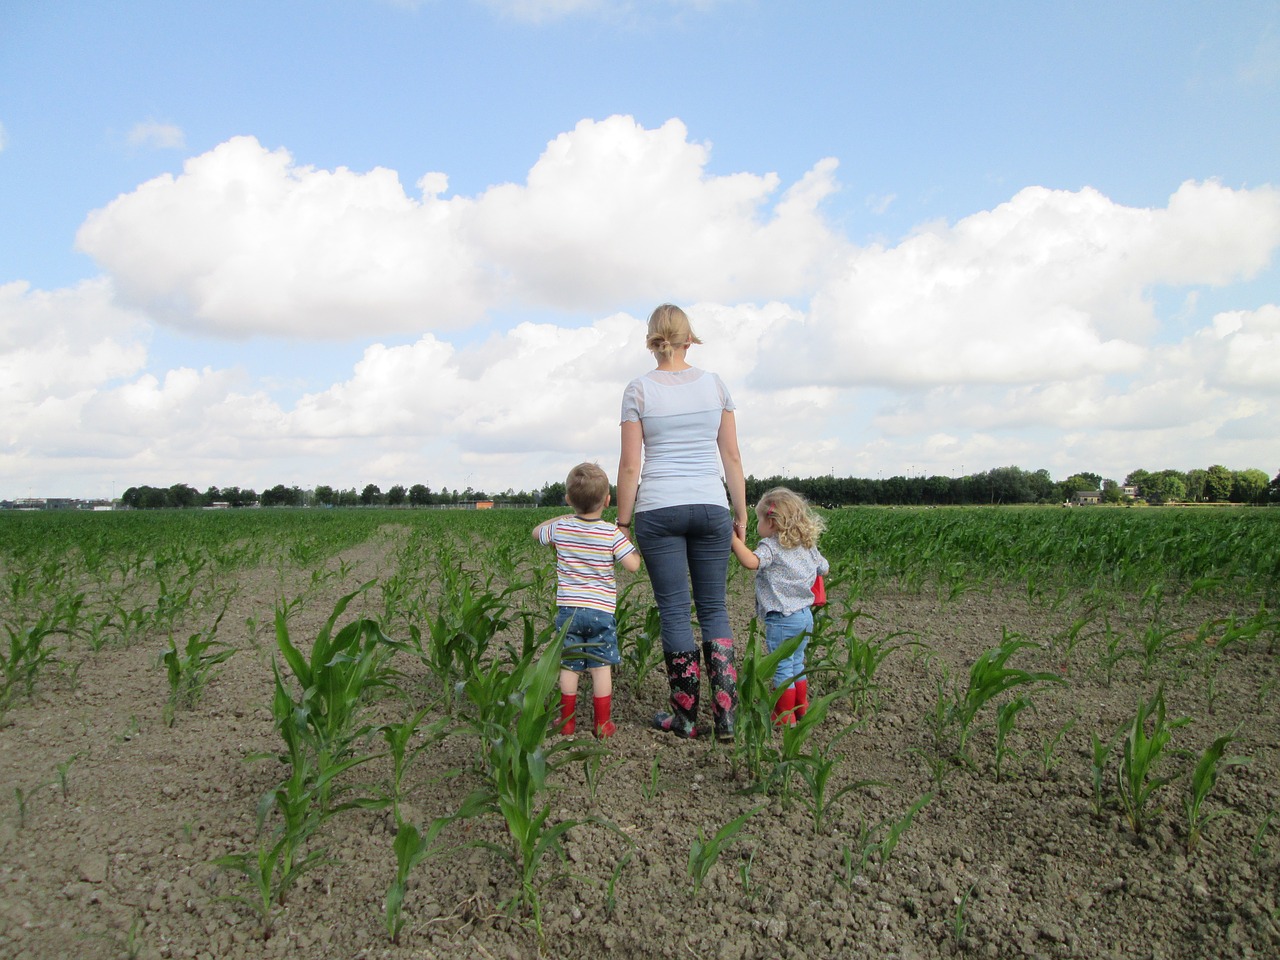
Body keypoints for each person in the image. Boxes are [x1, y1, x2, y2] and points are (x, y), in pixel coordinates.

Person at [615, 304, 748, 742]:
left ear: (653, 342)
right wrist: (741, 512)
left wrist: (623, 521)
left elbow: (631, 466)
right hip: (712, 507)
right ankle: (726, 717)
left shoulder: (638, 390)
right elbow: (731, 457)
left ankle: (687, 718)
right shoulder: (715, 386)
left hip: (658, 509)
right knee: (714, 609)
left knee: (674, 611)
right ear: (689, 339)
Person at [533, 462, 642, 738]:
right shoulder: (609, 533)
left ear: (569, 500)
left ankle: (566, 722)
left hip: (568, 610)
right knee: (600, 666)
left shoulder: (562, 528)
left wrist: (559, 518)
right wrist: (634, 551)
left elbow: (536, 533)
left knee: (569, 665)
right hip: (601, 612)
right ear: (607, 500)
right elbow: (632, 566)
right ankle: (602, 724)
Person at [730, 487, 829, 724]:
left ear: (772, 523)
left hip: (782, 618)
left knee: (781, 666)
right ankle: (800, 709)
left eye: (759, 520)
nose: (757, 526)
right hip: (805, 616)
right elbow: (824, 568)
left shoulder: (771, 547)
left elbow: (751, 562)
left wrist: (733, 540)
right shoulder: (807, 545)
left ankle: (783, 716)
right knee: (797, 663)